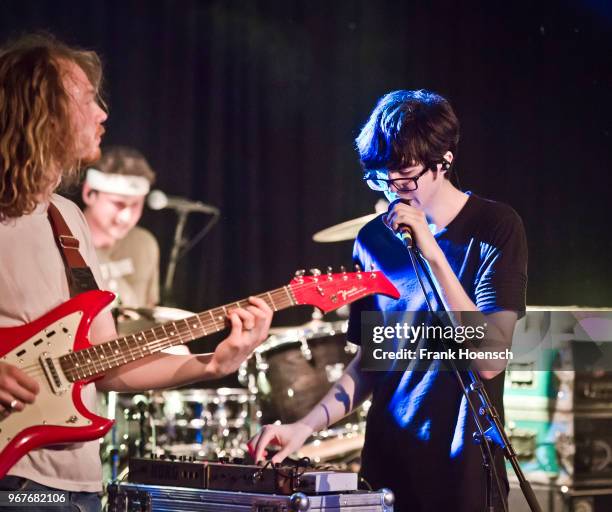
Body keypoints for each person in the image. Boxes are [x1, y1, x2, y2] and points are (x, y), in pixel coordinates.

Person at [0, 34, 273, 511]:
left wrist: (213, 364)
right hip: (14, 482)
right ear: (41, 109)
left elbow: (106, 363)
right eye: (87, 99)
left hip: (80, 483)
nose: (103, 113)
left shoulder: (67, 220)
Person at [250, 90, 528, 512]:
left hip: (463, 469)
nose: (393, 189)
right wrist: (303, 427)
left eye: (404, 176)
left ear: (445, 160)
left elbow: (490, 358)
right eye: (380, 178)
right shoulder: (373, 241)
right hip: (387, 467)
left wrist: (433, 254)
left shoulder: (496, 227)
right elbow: (370, 364)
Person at [82, 146, 160, 309]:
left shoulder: (145, 243)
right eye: (118, 203)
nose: (126, 217)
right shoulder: (63, 241)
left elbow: (148, 312)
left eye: (136, 204)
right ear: (89, 193)